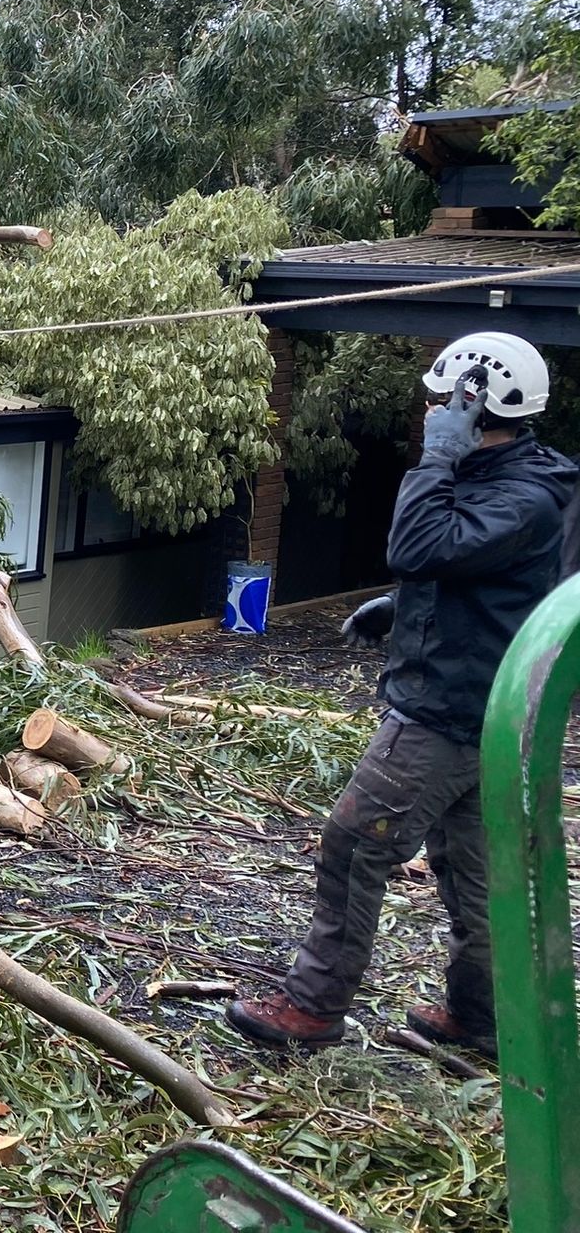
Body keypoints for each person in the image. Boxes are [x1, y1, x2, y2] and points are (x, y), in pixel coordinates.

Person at [226, 332, 576, 1056]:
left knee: (355, 847)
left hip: (447, 714)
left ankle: (314, 1008)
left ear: (474, 404)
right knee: (476, 873)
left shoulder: (522, 493)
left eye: (442, 400)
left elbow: (419, 543)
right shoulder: (526, 481)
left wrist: (441, 452)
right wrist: (404, 603)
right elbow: (475, 568)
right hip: (495, 712)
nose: (431, 411)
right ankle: (481, 1020)